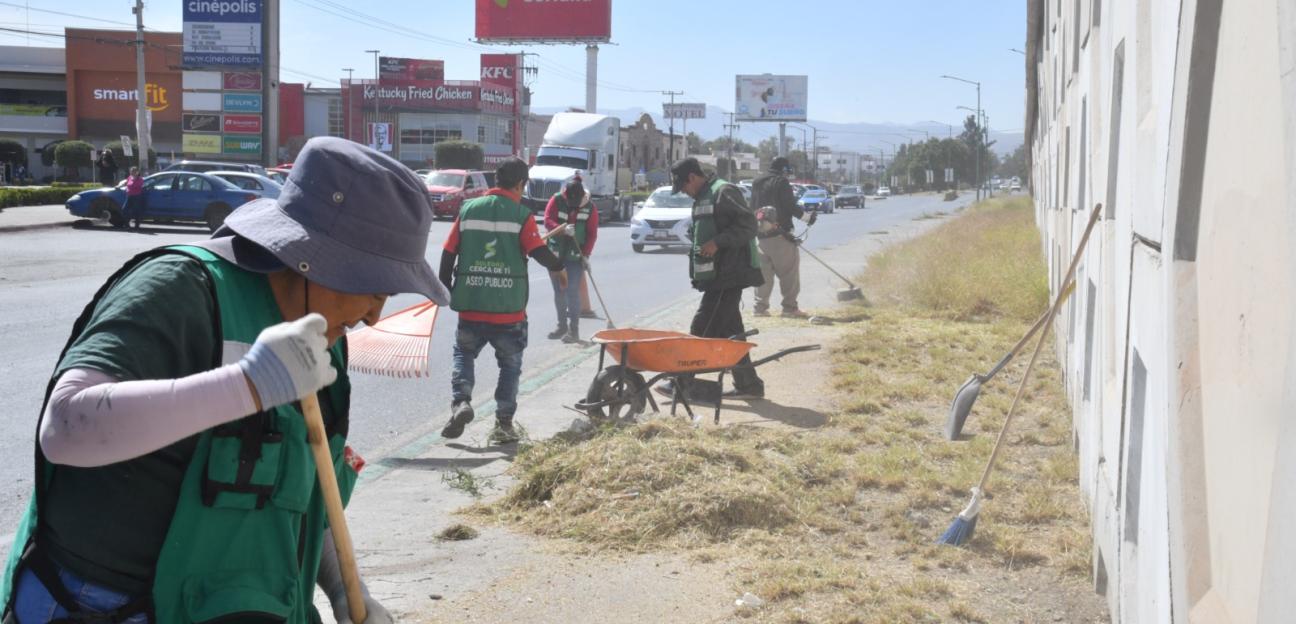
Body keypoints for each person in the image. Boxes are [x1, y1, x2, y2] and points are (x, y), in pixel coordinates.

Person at [0, 137, 446, 624]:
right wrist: (246, 385)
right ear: (314, 257)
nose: (374, 317)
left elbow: (304, 493)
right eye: (373, 288)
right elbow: (64, 428)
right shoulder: (180, 289)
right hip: (109, 606)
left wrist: (345, 588)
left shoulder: (319, 335)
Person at [438, 157, 568, 444]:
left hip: (471, 305)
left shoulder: (468, 209)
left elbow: (448, 252)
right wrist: (559, 268)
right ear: (520, 184)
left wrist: (445, 288)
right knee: (510, 366)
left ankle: (461, 401)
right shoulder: (521, 215)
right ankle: (503, 425)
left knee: (464, 354)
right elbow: (538, 251)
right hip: (509, 311)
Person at [658, 157, 765, 402]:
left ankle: (681, 383)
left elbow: (749, 226)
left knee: (702, 326)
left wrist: (717, 242)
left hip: (730, 275)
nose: (684, 192)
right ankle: (749, 385)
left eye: (684, 186)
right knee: (731, 332)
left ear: (693, 177)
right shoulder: (703, 196)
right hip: (718, 276)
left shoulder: (723, 192)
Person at [751, 156, 816, 317]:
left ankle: (760, 309)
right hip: (781, 237)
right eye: (787, 171)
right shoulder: (781, 182)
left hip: (761, 236)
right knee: (788, 274)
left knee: (764, 275)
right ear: (784, 170)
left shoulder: (757, 182)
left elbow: (752, 207)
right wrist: (808, 218)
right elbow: (790, 206)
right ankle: (789, 308)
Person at [543, 176, 599, 343]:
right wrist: (561, 229)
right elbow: (547, 220)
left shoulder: (590, 208)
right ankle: (562, 326)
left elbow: (592, 234)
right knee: (559, 292)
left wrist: (586, 255)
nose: (572, 204)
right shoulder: (556, 200)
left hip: (575, 256)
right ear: (565, 195)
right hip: (555, 254)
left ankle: (574, 331)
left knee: (571, 291)